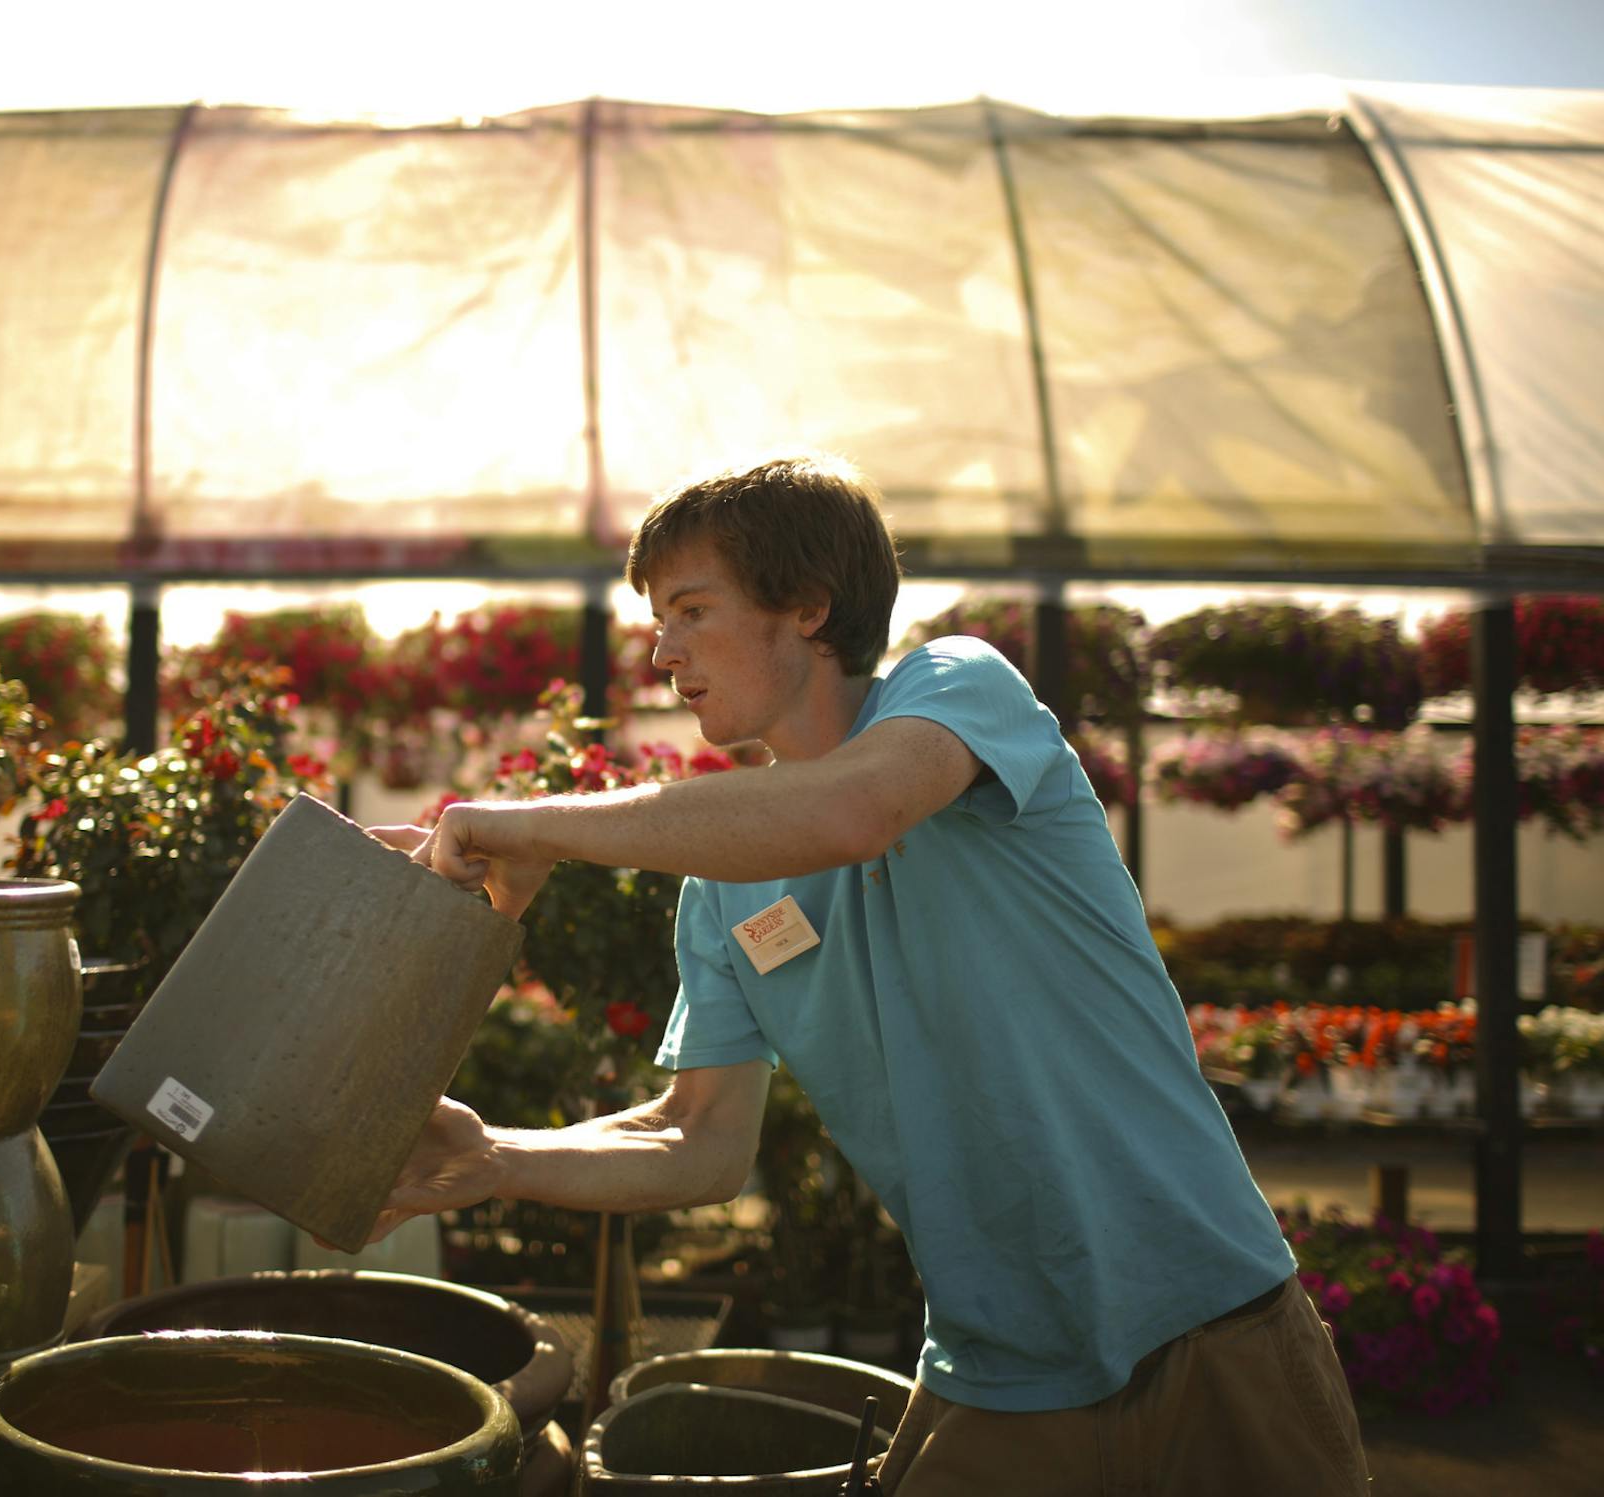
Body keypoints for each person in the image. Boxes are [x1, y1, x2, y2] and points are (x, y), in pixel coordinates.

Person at [370, 452, 1370, 1496]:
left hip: (1212, 1334)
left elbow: (853, 812)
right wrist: (497, 1158)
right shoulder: (725, 891)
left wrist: (534, 828)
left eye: (691, 610)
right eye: (655, 621)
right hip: (1002, 1377)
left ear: (807, 604)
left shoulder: (960, 692)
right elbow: (699, 1142)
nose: (662, 651)